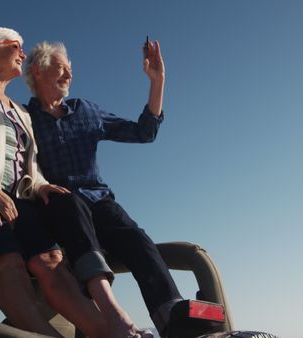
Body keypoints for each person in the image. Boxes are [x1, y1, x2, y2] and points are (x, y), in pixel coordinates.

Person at [0, 27, 140, 338]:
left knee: (52, 261)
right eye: (15, 46)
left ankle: (106, 333)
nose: (23, 53)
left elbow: (30, 163)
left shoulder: (21, 111)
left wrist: (41, 185)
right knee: (9, 263)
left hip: (19, 199)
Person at [24, 40, 184, 337]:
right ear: (37, 71)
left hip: (99, 201)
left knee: (138, 239)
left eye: (70, 69)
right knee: (69, 206)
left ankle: (174, 320)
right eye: (61, 68)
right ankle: (113, 318)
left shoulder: (86, 111)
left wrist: (157, 81)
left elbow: (143, 132)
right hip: (58, 209)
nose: (69, 75)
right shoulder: (24, 119)